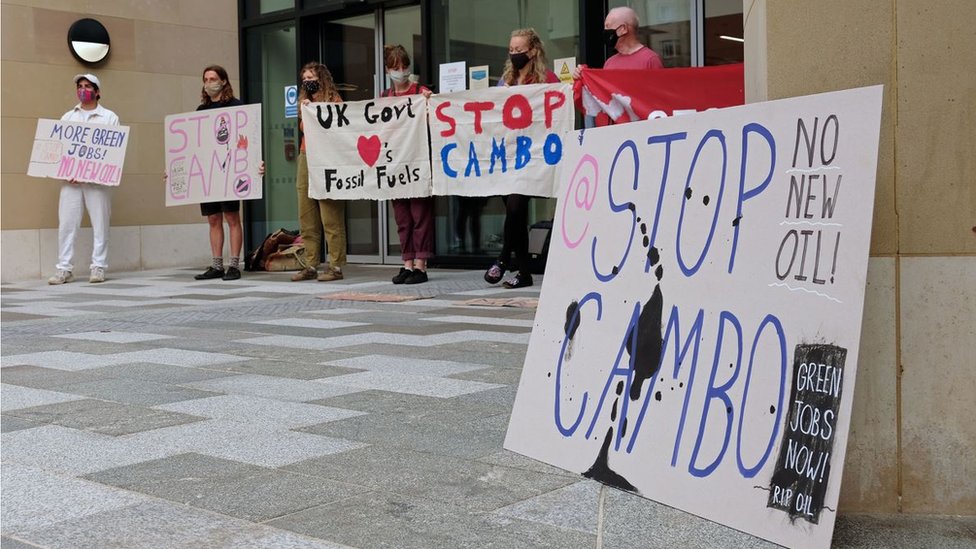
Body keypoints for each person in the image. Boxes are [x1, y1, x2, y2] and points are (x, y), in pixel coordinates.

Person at [483, 28, 559, 290]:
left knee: (515, 208)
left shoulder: (546, 79)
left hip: (533, 156)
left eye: (519, 50)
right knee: (514, 213)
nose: (515, 54)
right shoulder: (506, 80)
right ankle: (523, 273)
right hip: (508, 154)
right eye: (511, 50)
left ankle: (504, 259)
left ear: (533, 51)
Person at [48, 73, 120, 285]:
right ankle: (64, 268)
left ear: (97, 92)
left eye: (88, 86)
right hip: (71, 181)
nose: (83, 89)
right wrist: (66, 171)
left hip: (98, 182)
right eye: (80, 86)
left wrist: (93, 171)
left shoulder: (109, 117)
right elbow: (59, 148)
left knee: (100, 223)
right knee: (67, 224)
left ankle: (98, 266)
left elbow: (112, 151)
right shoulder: (67, 117)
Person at [290, 62, 348, 282]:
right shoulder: (304, 103)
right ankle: (310, 263)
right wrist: (306, 109)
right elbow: (306, 129)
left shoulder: (334, 100)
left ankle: (336, 265)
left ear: (321, 78)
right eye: (304, 78)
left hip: (328, 157)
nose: (307, 82)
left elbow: (337, 127)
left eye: (311, 77)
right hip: (306, 155)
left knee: (330, 213)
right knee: (307, 212)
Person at [383, 45, 434, 285]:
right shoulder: (384, 98)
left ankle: (421, 266)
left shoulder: (420, 92)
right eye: (395, 68)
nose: (400, 72)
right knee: (403, 217)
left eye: (404, 67)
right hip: (395, 165)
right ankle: (407, 263)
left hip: (417, 162)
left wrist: (427, 103)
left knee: (419, 213)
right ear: (387, 70)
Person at [193, 65, 245, 281]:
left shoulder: (237, 107)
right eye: (206, 78)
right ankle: (217, 265)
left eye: (213, 78)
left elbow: (245, 138)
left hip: (229, 171)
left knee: (231, 216)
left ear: (224, 81)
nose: (209, 82)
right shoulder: (201, 110)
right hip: (209, 172)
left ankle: (233, 264)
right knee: (213, 218)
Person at [573, 6, 664, 79]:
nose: (605, 31)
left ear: (623, 29)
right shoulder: (609, 63)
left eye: (608, 26)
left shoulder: (650, 60)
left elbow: (658, 97)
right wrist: (582, 77)